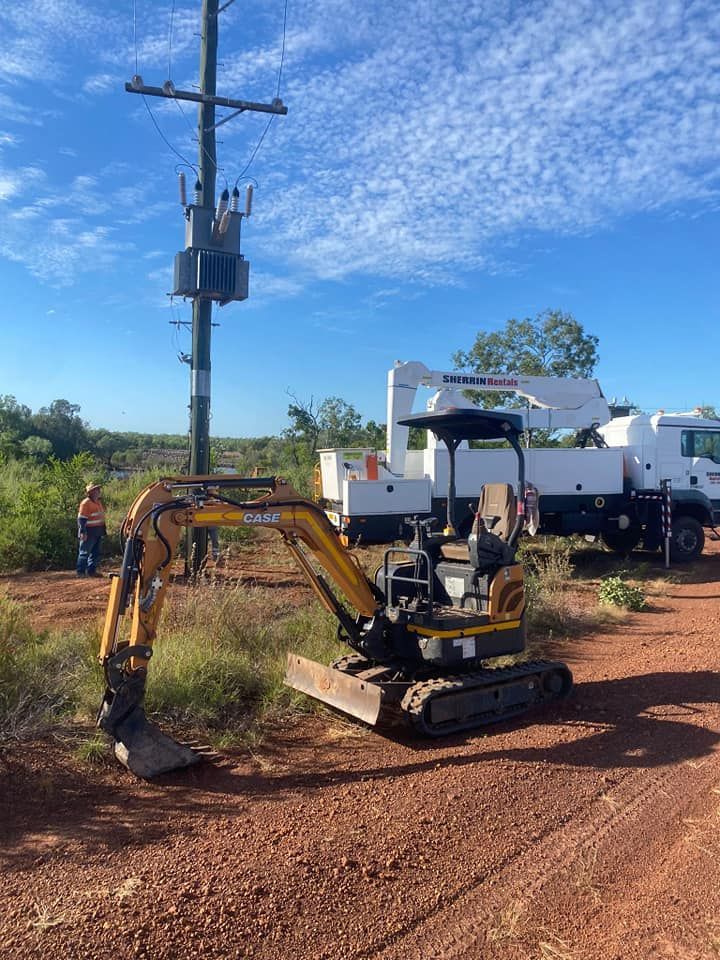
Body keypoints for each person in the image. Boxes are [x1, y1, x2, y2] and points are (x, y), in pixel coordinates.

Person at [77, 482, 106, 577]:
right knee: (84, 553)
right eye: (96, 489)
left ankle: (91, 571)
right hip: (89, 531)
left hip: (97, 531)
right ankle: (81, 572)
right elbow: (81, 519)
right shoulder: (86, 503)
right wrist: (83, 532)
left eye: (98, 489)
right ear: (91, 492)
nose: (98, 491)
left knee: (95, 553)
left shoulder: (97, 502)